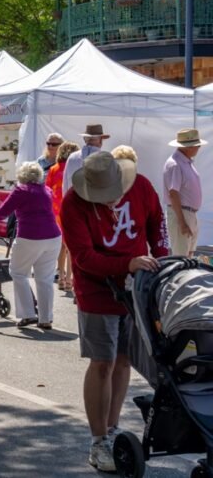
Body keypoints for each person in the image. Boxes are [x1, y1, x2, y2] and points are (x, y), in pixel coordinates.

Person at [61, 151, 169, 472]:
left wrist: (161, 261)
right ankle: (98, 441)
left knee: (124, 360)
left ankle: (112, 427)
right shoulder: (72, 203)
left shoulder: (142, 187)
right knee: (102, 362)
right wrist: (127, 263)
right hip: (97, 291)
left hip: (136, 287)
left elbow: (156, 222)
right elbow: (83, 258)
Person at [0, 162, 62, 327]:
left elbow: (3, 211)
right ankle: (46, 318)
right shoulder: (47, 191)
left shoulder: (21, 191)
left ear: (22, 176)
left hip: (30, 236)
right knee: (45, 279)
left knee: (18, 273)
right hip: (53, 237)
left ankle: (28, 314)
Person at [164, 128, 205, 258]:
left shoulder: (184, 162)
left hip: (188, 213)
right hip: (182, 214)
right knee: (181, 258)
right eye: (197, 145)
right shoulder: (175, 164)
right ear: (189, 147)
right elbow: (173, 193)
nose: (199, 148)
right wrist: (182, 222)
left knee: (188, 256)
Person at [46, 141, 80, 292]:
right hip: (72, 208)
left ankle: (60, 277)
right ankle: (69, 279)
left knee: (61, 246)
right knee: (71, 246)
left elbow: (47, 190)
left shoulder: (53, 169)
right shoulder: (75, 167)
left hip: (56, 211)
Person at [63, 124, 109, 196]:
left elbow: (65, 185)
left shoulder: (72, 157)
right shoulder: (105, 159)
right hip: (96, 204)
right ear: (100, 140)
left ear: (85, 139)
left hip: (74, 202)